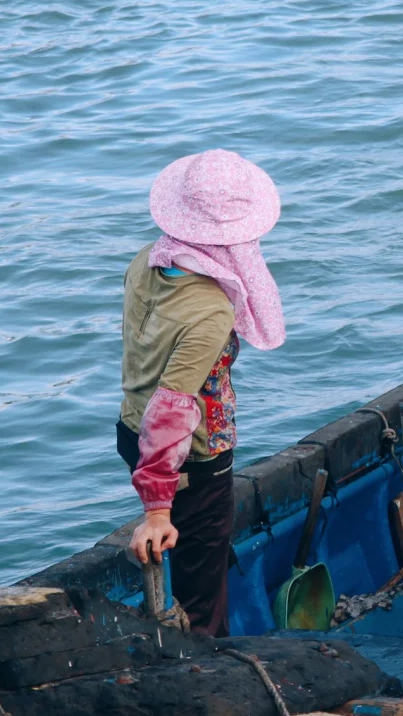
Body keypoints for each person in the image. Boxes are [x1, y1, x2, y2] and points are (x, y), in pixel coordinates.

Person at [117, 149, 287, 636]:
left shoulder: (146, 262)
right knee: (201, 598)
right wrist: (157, 512)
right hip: (188, 459)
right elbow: (171, 411)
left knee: (194, 558)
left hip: (130, 434)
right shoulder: (213, 309)